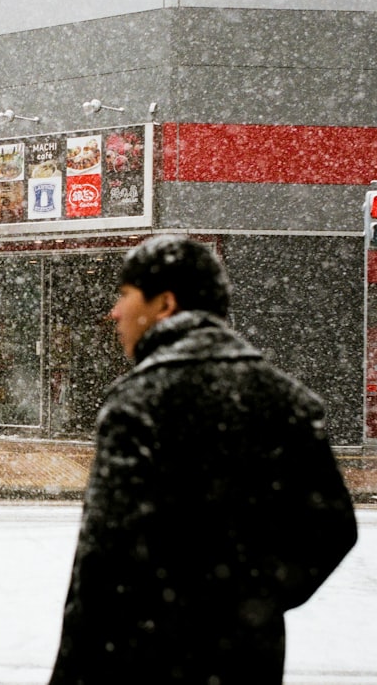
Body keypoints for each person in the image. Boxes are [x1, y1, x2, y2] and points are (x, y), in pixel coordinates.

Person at [50, 235, 357, 685]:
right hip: (249, 660)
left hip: (148, 662)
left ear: (165, 304)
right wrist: (254, 600)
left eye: (124, 295)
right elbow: (331, 527)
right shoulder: (284, 399)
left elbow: (102, 566)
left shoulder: (139, 404)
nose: (115, 312)